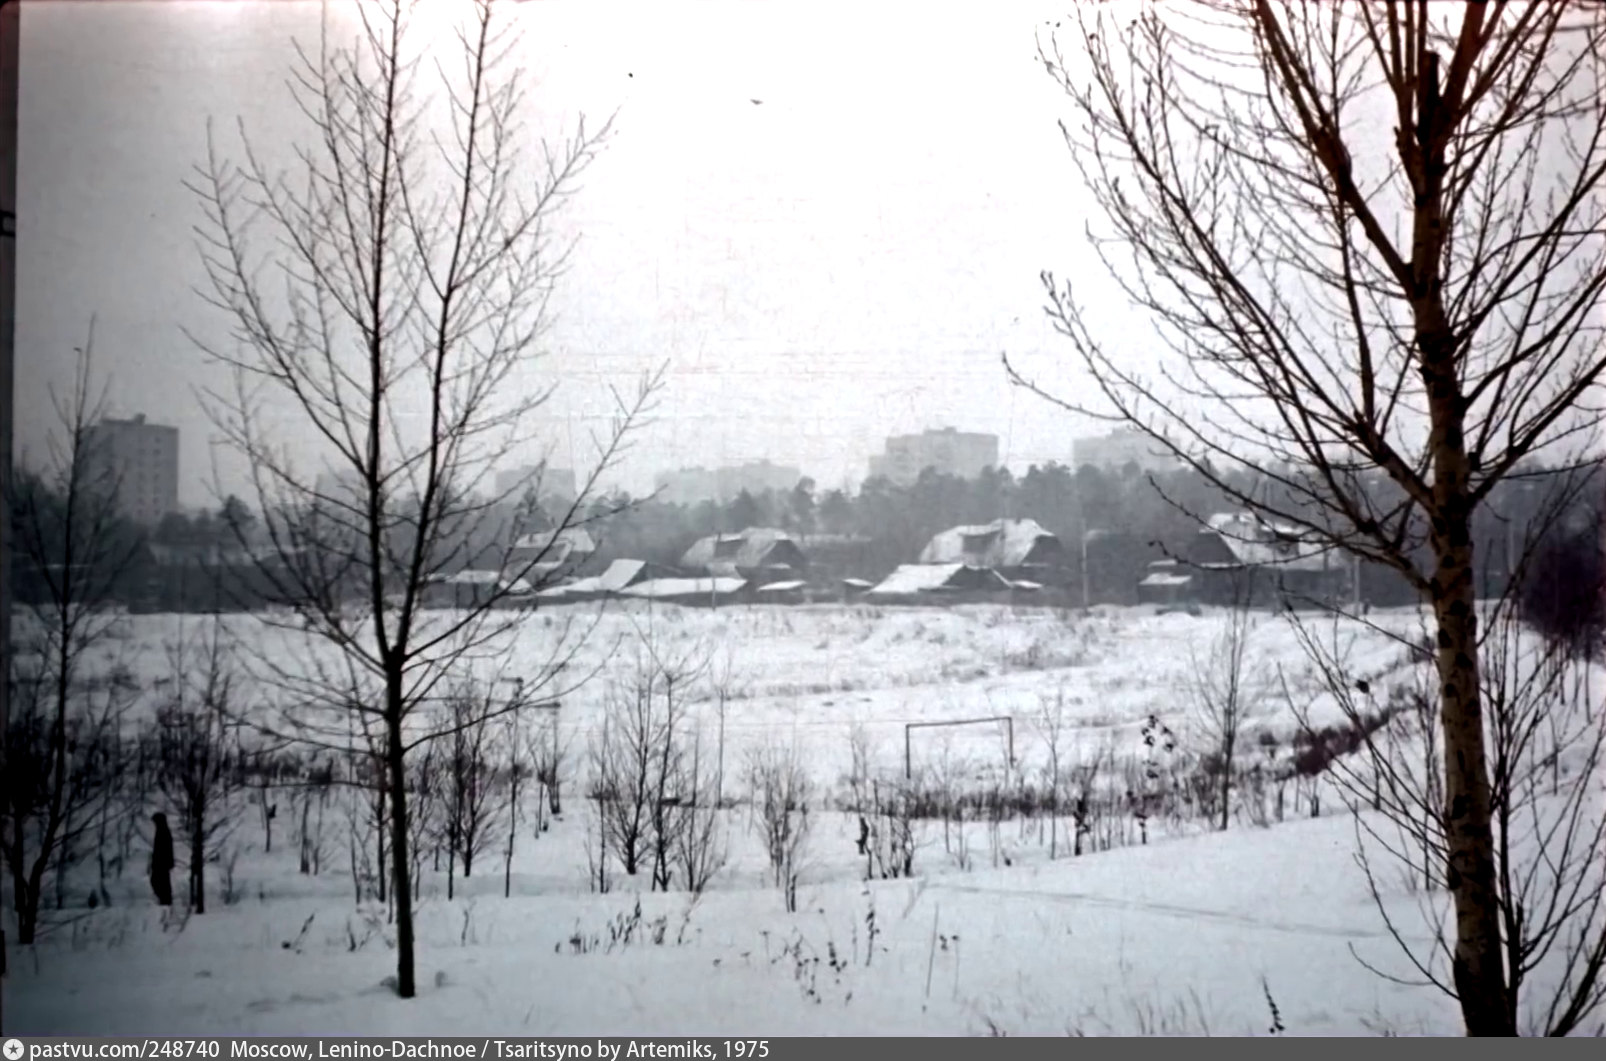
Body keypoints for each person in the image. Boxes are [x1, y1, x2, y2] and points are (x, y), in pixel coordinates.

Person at [150, 812, 175, 907]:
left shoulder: (162, 831)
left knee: (159, 882)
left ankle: (165, 901)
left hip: (161, 863)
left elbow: (165, 848)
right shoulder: (162, 830)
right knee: (162, 882)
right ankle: (165, 900)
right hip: (162, 863)